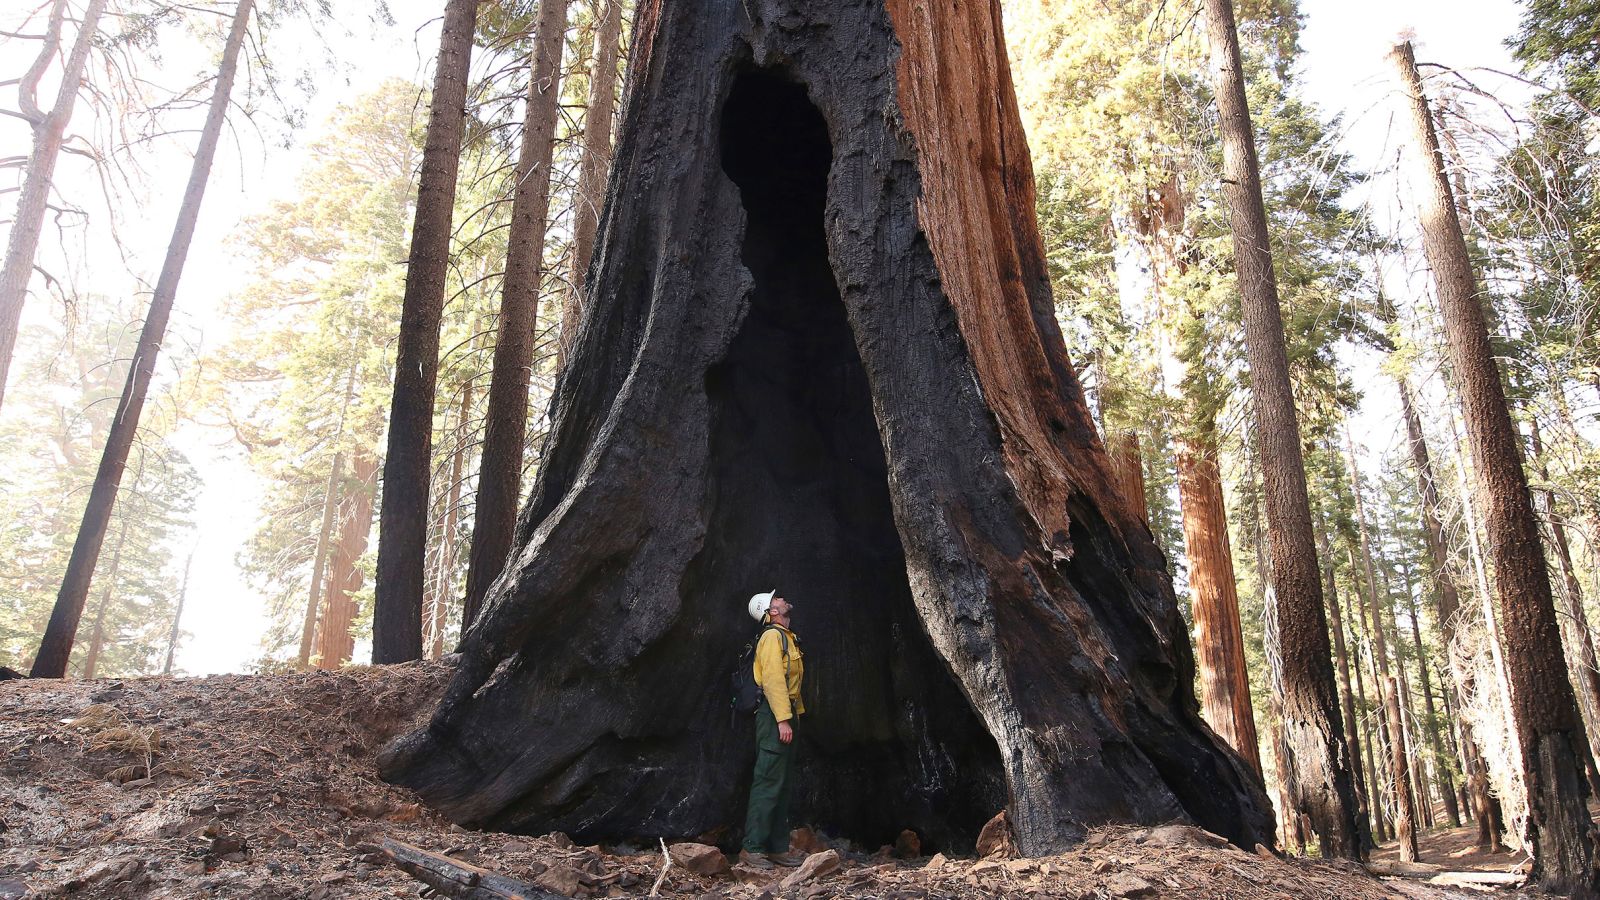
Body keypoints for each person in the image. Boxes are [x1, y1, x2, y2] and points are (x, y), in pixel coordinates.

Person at [740, 589, 806, 869]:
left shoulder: (786, 637)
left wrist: (794, 716)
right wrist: (782, 719)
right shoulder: (771, 637)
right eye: (776, 600)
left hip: (786, 714)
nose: (782, 599)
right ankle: (752, 849)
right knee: (768, 780)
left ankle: (778, 848)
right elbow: (773, 680)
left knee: (782, 783)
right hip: (773, 715)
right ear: (772, 611)